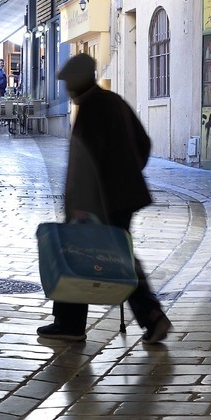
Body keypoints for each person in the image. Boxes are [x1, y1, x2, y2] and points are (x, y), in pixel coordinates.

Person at [38, 52, 171, 343]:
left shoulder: (93, 108)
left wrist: (82, 204)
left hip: (99, 202)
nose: (66, 89)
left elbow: (86, 164)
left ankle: (71, 324)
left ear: (79, 81)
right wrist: (128, 174)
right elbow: (144, 143)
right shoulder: (113, 101)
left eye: (68, 83)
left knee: (78, 254)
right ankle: (152, 316)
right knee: (118, 256)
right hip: (122, 196)